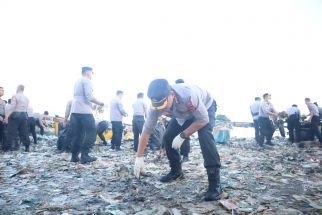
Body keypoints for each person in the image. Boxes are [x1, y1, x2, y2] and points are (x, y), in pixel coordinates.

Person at [134, 79, 222, 201]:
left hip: (205, 108)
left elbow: (202, 120)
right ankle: (176, 171)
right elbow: (146, 130)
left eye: (164, 107)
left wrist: (183, 135)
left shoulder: (189, 95)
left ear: (171, 95)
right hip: (182, 114)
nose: (162, 111)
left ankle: (215, 183)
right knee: (168, 137)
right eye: (159, 108)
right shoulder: (156, 107)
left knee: (205, 136)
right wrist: (139, 156)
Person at [69, 67, 104, 164]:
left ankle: (74, 157)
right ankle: (85, 155)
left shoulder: (77, 81)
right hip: (84, 112)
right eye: (92, 73)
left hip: (75, 111)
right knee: (92, 132)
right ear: (88, 73)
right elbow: (89, 96)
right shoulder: (87, 81)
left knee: (78, 134)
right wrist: (100, 103)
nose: (92, 75)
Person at [4, 85, 30, 151]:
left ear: (17, 88)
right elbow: (26, 108)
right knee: (24, 132)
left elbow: (12, 107)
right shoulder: (26, 98)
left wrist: (6, 117)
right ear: (23, 89)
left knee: (11, 132)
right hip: (24, 115)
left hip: (15, 114)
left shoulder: (15, 96)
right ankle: (27, 147)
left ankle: (7, 147)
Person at [175, 79, 191, 162]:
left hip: (185, 117)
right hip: (181, 118)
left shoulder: (185, 93)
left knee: (183, 137)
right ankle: (184, 156)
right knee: (184, 137)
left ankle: (184, 156)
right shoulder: (186, 90)